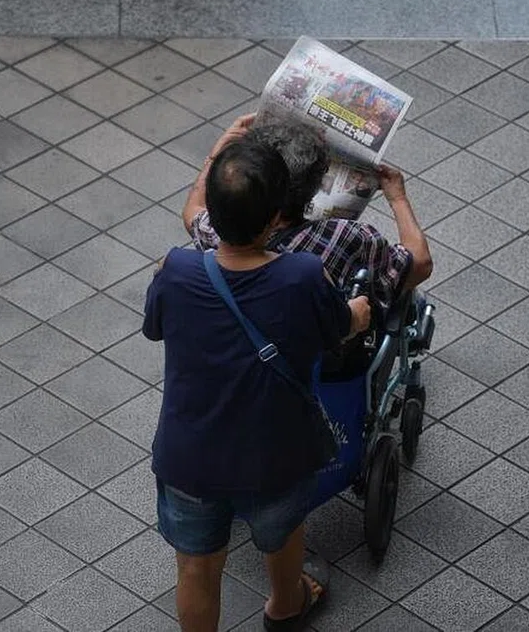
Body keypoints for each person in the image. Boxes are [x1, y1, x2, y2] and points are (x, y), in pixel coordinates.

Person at [144, 137, 371, 632]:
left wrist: (216, 151)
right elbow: (340, 329)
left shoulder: (176, 270)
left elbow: (155, 327)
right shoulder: (303, 277)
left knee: (197, 567)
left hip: (190, 456)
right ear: (274, 219)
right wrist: (357, 313)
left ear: (212, 211)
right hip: (276, 456)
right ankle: (286, 607)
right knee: (282, 536)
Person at [183, 114, 433, 311]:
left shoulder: (221, 234)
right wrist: (398, 199)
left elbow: (192, 211)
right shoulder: (346, 237)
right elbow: (419, 264)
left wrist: (216, 157)